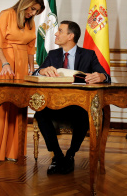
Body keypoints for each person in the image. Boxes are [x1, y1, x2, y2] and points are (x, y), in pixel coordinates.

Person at [34, 20, 111, 175]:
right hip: (55, 105)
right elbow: (35, 74)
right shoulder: (53, 55)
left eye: (60, 31)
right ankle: (57, 155)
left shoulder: (89, 55)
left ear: (71, 36)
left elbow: (106, 76)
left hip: (79, 106)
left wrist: (100, 76)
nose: (56, 33)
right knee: (40, 113)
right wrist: (42, 71)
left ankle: (71, 154)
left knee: (85, 114)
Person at [0, 0, 45, 162]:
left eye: (36, 11)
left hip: (21, 65)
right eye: (32, 9)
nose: (32, 13)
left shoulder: (31, 23)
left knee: (18, 106)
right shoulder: (6, 15)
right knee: (2, 105)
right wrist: (5, 63)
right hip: (3, 63)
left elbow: (30, 47)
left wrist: (31, 67)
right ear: (25, 2)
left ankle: (14, 152)